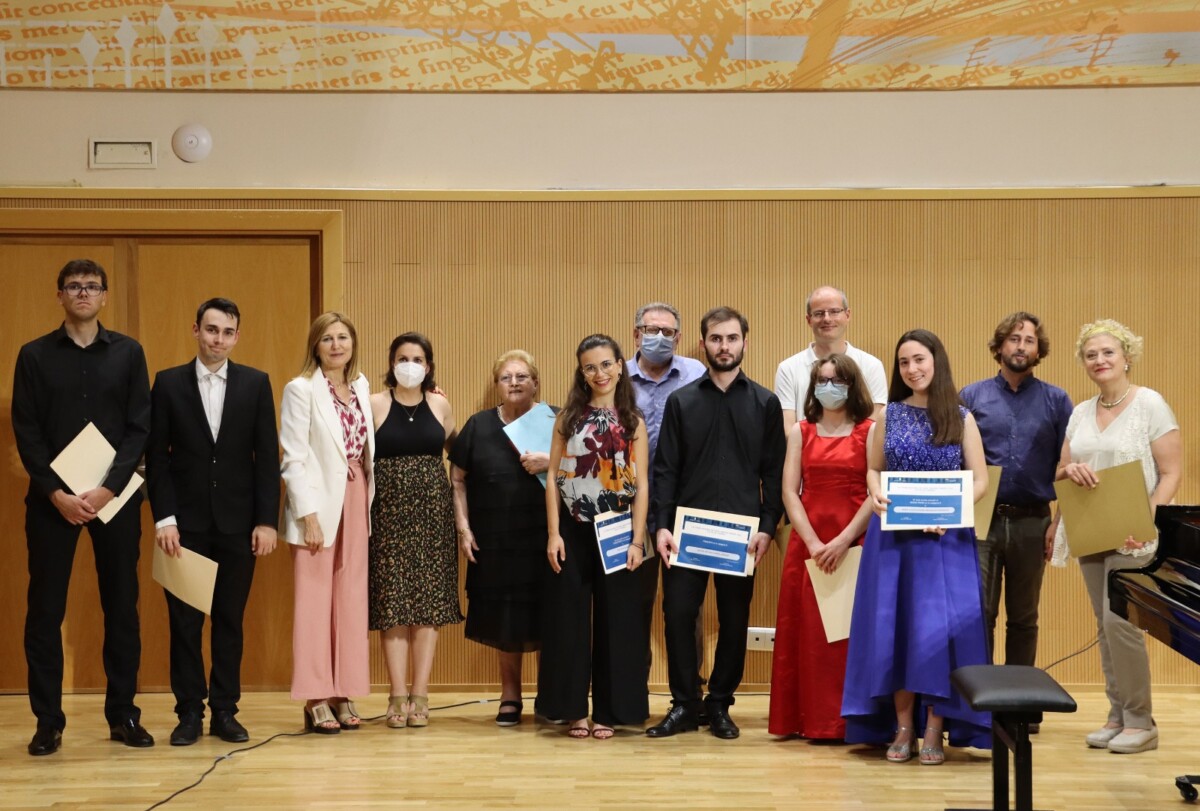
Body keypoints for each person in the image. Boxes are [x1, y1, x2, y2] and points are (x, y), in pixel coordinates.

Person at [14, 259, 153, 756]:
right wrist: (57, 493)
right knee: (44, 611)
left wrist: (109, 489)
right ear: (59, 296)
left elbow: (140, 427)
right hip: (53, 501)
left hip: (113, 499)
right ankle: (47, 721)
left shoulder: (130, 354)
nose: (83, 293)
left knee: (122, 608)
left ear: (105, 296)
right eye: (73, 286)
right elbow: (26, 431)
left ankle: (123, 715)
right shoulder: (32, 356)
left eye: (92, 286)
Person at [842, 328, 991, 766]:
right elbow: (872, 471)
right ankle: (903, 725)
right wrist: (876, 494)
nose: (912, 369)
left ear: (936, 361)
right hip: (894, 541)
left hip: (947, 542)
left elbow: (980, 479)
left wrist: (955, 511)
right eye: (904, 362)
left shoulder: (961, 417)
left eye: (920, 359)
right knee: (898, 632)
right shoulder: (887, 416)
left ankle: (935, 725)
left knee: (937, 637)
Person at [146, 298, 280, 746]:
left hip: (240, 526)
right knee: (184, 623)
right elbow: (157, 460)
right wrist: (164, 518)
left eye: (227, 332)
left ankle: (225, 710)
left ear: (237, 337)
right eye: (210, 329)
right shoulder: (167, 384)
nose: (218, 339)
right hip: (184, 527)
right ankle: (188, 712)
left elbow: (266, 459)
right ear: (196, 330)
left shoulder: (256, 384)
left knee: (229, 621)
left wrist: (267, 521)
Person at [648, 306, 786, 740]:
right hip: (685, 534)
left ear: (745, 342)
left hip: (741, 537)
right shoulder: (681, 401)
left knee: (733, 619)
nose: (723, 346)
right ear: (703, 343)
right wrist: (661, 526)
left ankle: (721, 704)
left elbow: (774, 473)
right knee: (678, 614)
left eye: (731, 338)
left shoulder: (765, 403)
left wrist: (767, 526)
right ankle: (685, 704)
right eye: (715, 338)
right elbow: (665, 470)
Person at [1050, 319, 1181, 755]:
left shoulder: (1150, 404)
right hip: (1089, 527)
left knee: (1120, 623)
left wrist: (1146, 523)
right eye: (1091, 355)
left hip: (1133, 534)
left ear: (1127, 356)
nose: (1100, 360)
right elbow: (1061, 471)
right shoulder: (1080, 413)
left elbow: (1171, 472)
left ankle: (1142, 721)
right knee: (1104, 627)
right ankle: (1117, 714)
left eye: (1108, 352)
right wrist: (1069, 471)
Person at [540, 334, 649, 739]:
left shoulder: (633, 421)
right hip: (572, 528)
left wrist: (638, 541)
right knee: (568, 621)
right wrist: (554, 533)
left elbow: (642, 487)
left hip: (618, 529)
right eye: (590, 367)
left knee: (617, 621)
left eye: (606, 364)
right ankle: (573, 710)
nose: (599, 373)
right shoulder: (567, 417)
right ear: (581, 372)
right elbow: (551, 476)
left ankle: (610, 710)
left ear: (620, 365)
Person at [769, 354, 874, 740]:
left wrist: (844, 540)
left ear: (852, 385)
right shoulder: (801, 430)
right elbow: (788, 491)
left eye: (837, 380)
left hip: (855, 539)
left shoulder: (870, 430)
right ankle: (806, 720)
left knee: (847, 636)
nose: (830, 387)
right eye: (822, 380)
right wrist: (813, 542)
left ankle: (848, 722)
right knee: (809, 635)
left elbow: (875, 490)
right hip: (808, 542)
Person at [280, 312, 375, 735]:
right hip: (317, 505)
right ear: (315, 346)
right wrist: (307, 515)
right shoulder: (300, 390)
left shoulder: (362, 386)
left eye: (343, 338)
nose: (336, 345)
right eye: (327, 339)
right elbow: (293, 458)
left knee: (351, 598)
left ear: (352, 343)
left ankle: (344, 690)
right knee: (316, 599)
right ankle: (316, 695)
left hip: (356, 498)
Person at [960, 312, 1072, 672]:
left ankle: (1020, 711)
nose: (1021, 346)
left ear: (1039, 350)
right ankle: (984, 709)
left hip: (1033, 520)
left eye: (1029, 340)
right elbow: (956, 461)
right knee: (981, 614)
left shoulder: (1057, 400)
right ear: (999, 345)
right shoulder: (971, 397)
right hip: (981, 520)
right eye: (1014, 338)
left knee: (1024, 617)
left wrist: (1058, 523)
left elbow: (1067, 466)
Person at [449, 350, 551, 727]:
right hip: (495, 540)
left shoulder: (555, 420)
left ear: (536, 382)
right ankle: (510, 696)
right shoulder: (478, 425)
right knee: (506, 620)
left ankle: (549, 694)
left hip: (547, 537)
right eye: (506, 377)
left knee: (549, 616)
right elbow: (458, 479)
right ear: (496, 385)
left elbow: (581, 470)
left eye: (522, 376)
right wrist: (464, 527)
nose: (514, 383)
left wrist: (551, 462)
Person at [368, 332, 461, 729]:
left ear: (428, 365)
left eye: (418, 358)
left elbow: (458, 456)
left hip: (432, 516)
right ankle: (396, 695)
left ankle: (421, 695)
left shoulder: (440, 403)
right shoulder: (373, 403)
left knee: (427, 610)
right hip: (387, 516)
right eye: (403, 357)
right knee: (392, 607)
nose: (410, 364)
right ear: (391, 362)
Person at [625, 302, 706, 704]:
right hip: (628, 511)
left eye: (668, 331)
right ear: (636, 334)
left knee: (683, 609)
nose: (659, 337)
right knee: (632, 607)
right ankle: (631, 694)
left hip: (684, 508)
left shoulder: (697, 375)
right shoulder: (615, 376)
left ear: (679, 335)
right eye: (650, 329)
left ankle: (689, 697)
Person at [775, 286, 887, 426]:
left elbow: (874, 425)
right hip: (804, 447)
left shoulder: (872, 365)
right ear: (808, 320)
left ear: (847, 315)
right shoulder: (788, 369)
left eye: (834, 312)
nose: (827, 319)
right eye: (819, 313)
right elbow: (787, 428)